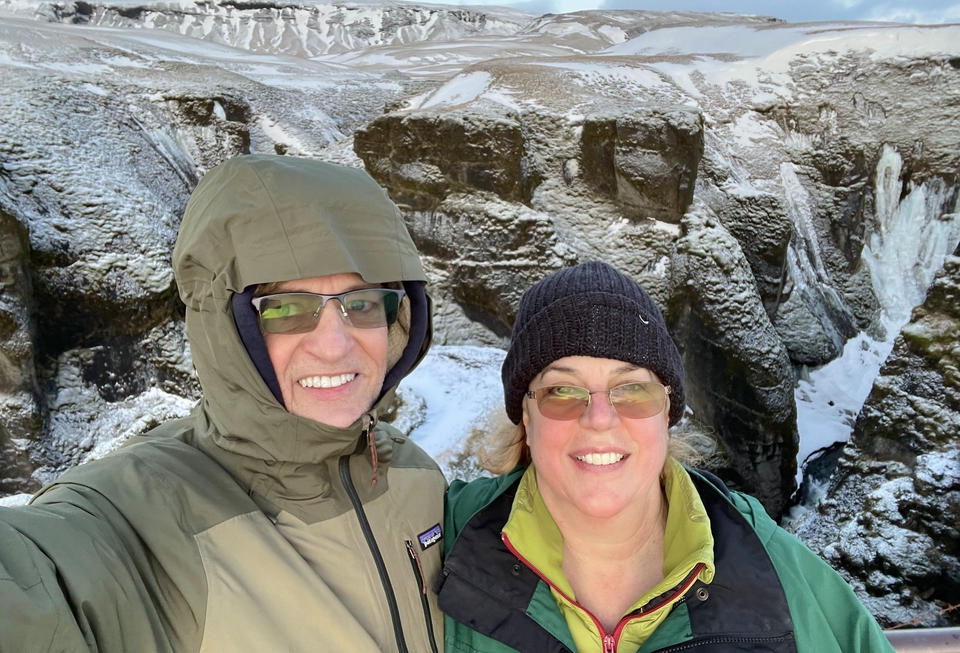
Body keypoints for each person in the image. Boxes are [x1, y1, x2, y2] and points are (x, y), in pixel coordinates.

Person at [0, 155, 446, 653]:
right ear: (226, 326)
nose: (335, 346)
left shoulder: (417, 476)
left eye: (361, 303)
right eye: (285, 308)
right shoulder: (137, 519)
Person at [436, 260, 894, 653]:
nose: (600, 419)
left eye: (633, 389)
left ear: (667, 413)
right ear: (526, 416)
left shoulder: (772, 568)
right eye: (562, 391)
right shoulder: (438, 540)